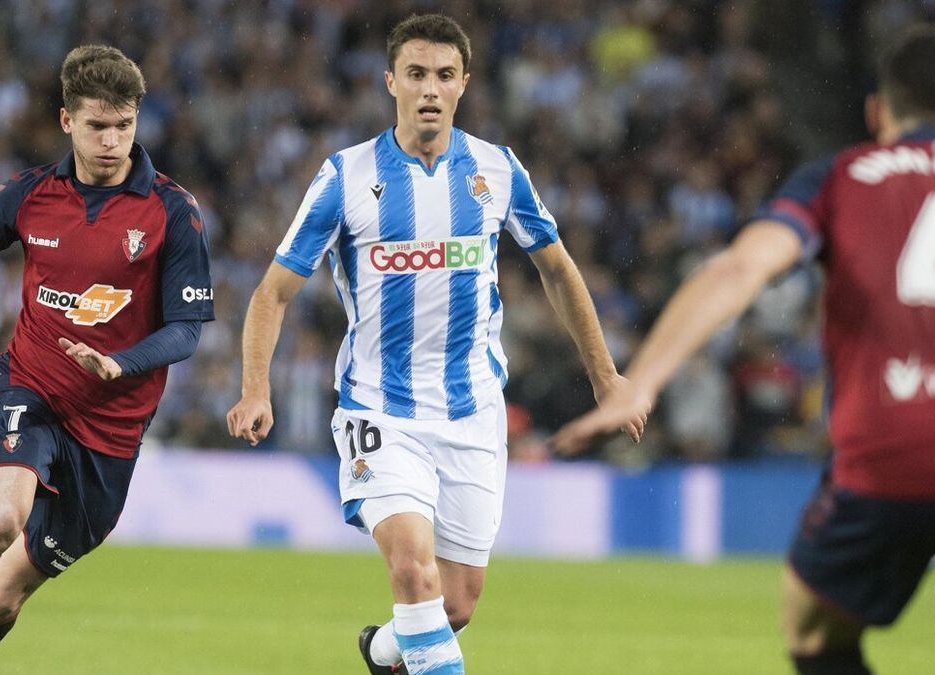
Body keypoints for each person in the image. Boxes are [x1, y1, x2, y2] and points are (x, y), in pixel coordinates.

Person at [225, 14, 643, 675]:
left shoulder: (496, 171)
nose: (429, 89)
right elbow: (273, 291)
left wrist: (607, 380)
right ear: (390, 81)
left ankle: (381, 650)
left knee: (454, 604)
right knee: (414, 572)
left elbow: (558, 269)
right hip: (380, 412)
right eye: (416, 74)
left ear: (464, 84)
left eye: (444, 76)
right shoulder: (345, 176)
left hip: (473, 412)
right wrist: (256, 386)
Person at [551, 25, 935, 675]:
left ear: (878, 112)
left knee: (811, 631)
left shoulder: (842, 175)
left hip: (894, 449)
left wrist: (643, 381)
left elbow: (738, 271)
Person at [0, 45, 214, 675]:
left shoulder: (172, 211)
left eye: (124, 126)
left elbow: (187, 330)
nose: (112, 141)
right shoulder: (28, 196)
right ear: (66, 122)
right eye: (97, 126)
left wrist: (121, 363)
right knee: (1, 519)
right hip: (31, 388)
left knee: (3, 597)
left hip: (111, 433)